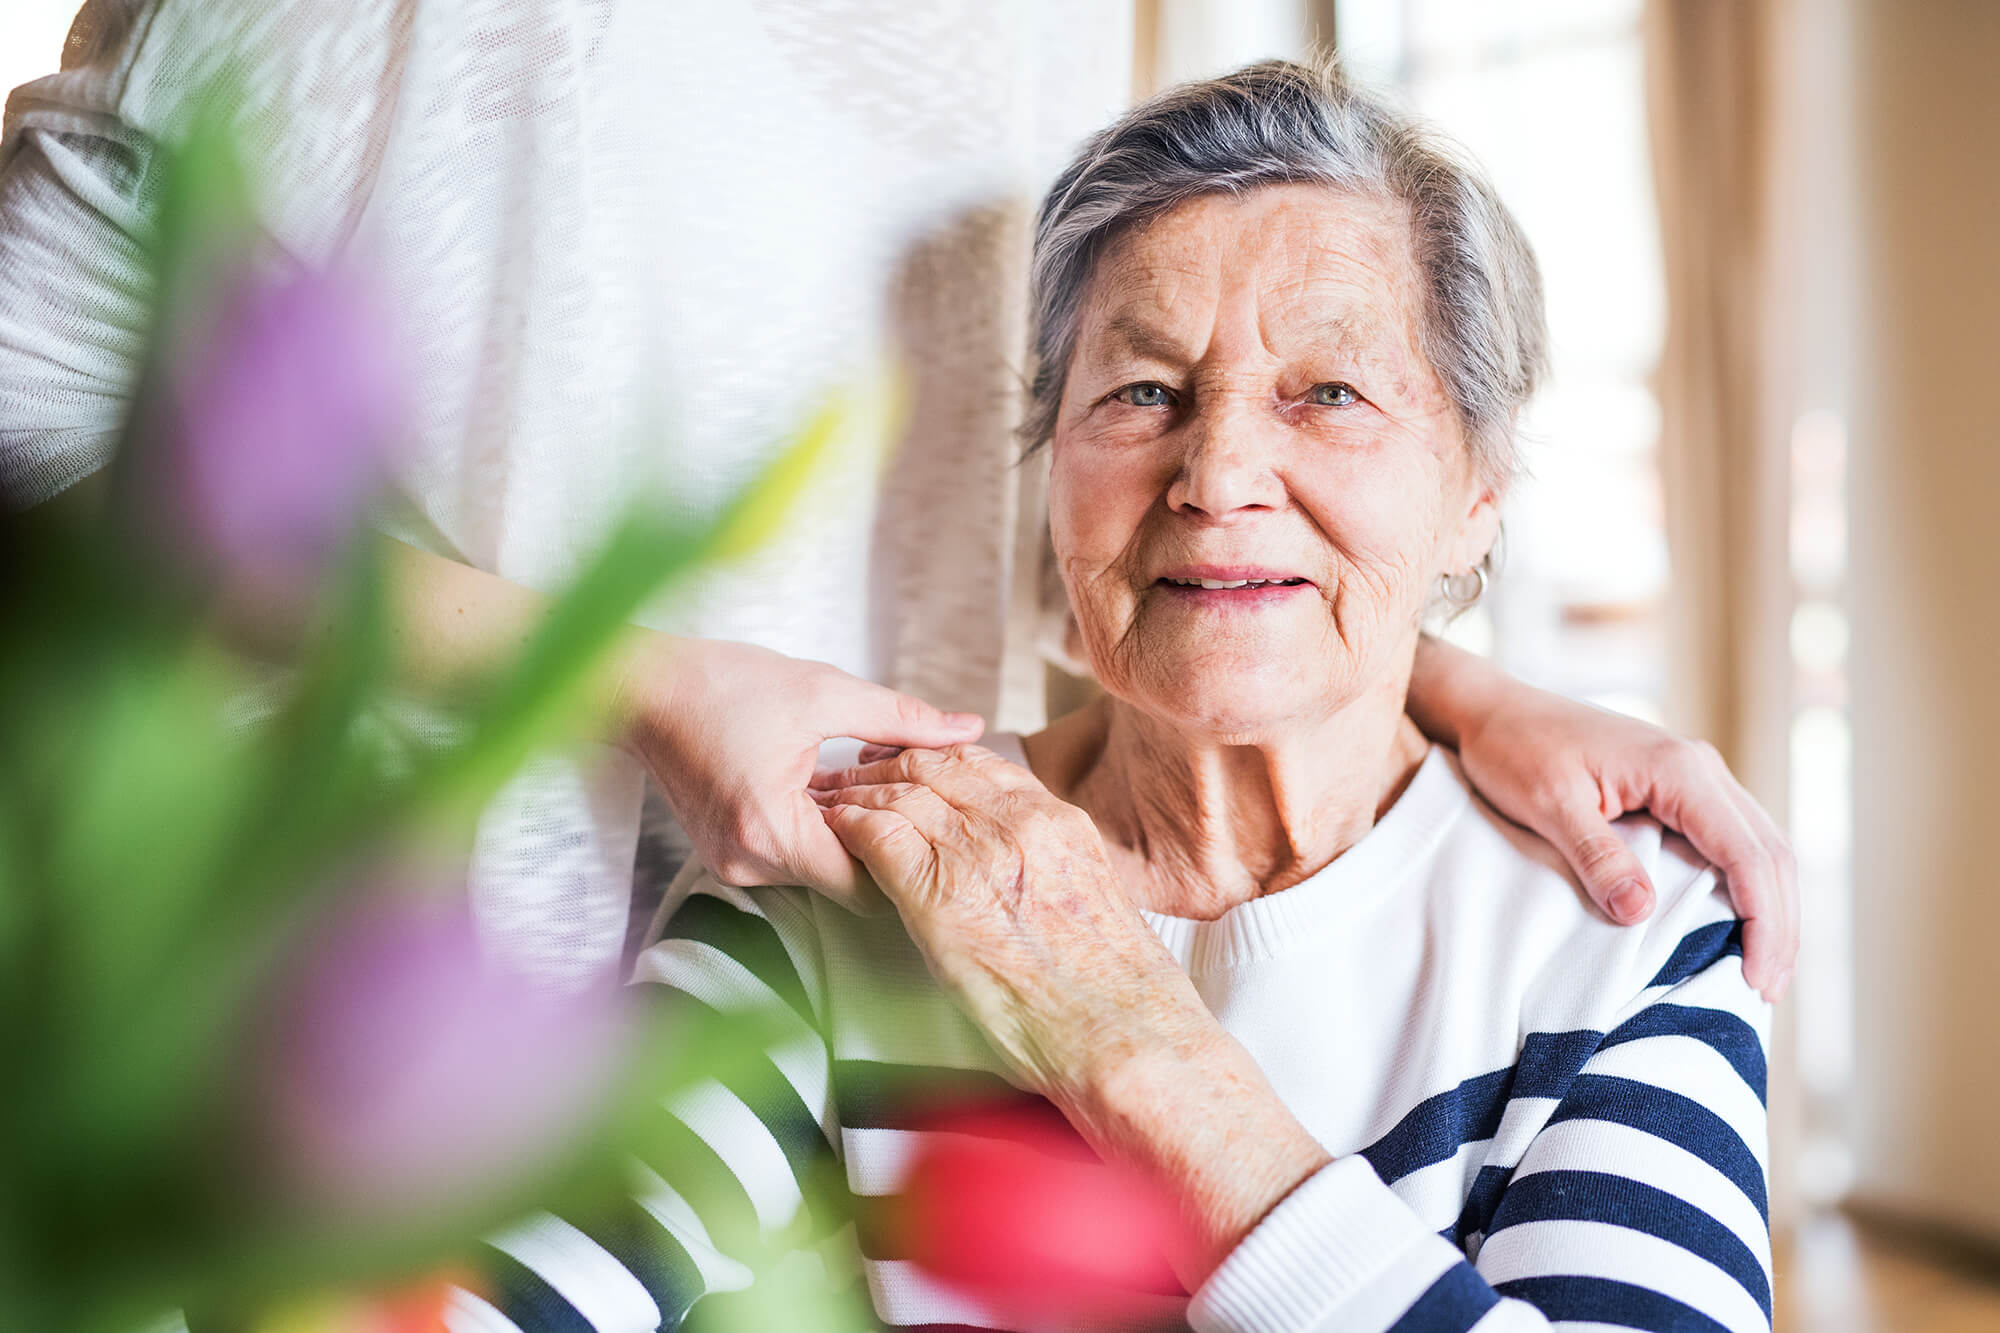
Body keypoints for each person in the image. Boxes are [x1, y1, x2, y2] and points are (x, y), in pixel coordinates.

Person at [0, 1, 1794, 1000]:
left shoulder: (1031, 36)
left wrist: (1449, 677)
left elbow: (1076, 526)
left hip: (831, 1059)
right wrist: (637, 678)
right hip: (329, 1052)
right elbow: (36, 435)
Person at [467, 60, 1773, 1332]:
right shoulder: (847, 872)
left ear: (1477, 495)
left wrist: (1118, 1029)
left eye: (1328, 391)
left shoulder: (1619, 922)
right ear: (1051, 474)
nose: (1217, 472)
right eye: (1142, 392)